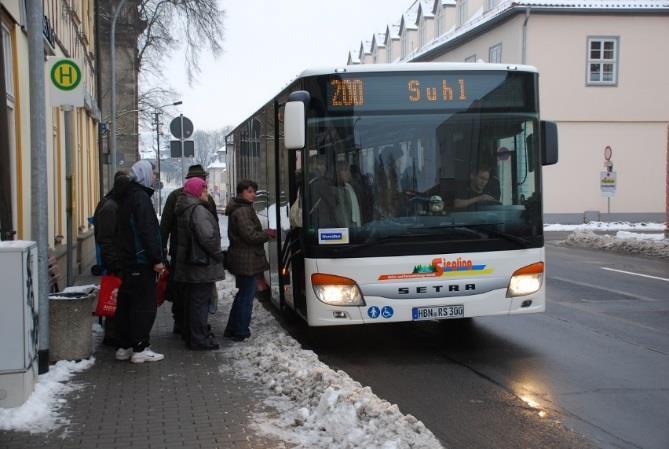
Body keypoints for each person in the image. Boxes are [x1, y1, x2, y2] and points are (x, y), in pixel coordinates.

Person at [114, 160, 165, 363]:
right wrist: (157, 259)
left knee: (126, 305)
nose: (154, 177)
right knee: (143, 306)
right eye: (152, 173)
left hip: (127, 260)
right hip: (141, 260)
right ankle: (140, 348)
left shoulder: (124, 196)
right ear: (144, 174)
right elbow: (148, 231)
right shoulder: (141, 198)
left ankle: (124, 346)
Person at [160, 164, 217, 335]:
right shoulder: (201, 198)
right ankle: (194, 325)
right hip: (196, 254)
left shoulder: (176, 196)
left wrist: (162, 247)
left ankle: (184, 323)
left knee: (183, 289)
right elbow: (213, 228)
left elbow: (165, 225)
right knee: (196, 291)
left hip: (181, 252)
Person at [173, 177, 225, 350]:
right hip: (201, 265)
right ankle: (198, 339)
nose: (207, 193)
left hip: (191, 264)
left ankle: (194, 335)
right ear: (196, 192)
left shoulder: (185, 208)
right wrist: (218, 254)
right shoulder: (198, 211)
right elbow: (208, 238)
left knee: (193, 302)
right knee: (199, 303)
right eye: (203, 190)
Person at [224, 180, 275, 341]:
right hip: (246, 260)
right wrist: (267, 234)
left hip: (243, 258)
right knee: (246, 296)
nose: (253, 195)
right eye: (249, 191)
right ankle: (240, 330)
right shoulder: (243, 211)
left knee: (243, 295)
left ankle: (233, 328)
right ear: (241, 193)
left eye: (254, 192)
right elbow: (250, 236)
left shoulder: (241, 208)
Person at [92, 170, 130, 347]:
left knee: (116, 297)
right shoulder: (110, 207)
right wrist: (114, 262)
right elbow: (105, 238)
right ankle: (112, 334)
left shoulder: (109, 203)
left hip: (113, 258)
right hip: (113, 260)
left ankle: (114, 332)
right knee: (115, 297)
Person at [334, 161, 361, 227]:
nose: (348, 173)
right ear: (338, 173)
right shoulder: (337, 191)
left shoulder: (349, 187)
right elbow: (341, 213)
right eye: (345, 170)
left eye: (348, 170)